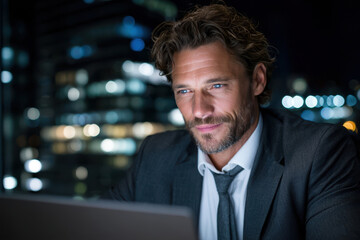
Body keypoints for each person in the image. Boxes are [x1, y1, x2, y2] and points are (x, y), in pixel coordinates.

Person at [106, 3, 360, 240]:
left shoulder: (320, 153)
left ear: (257, 80)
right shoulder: (154, 156)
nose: (199, 111)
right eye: (184, 91)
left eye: (216, 85)